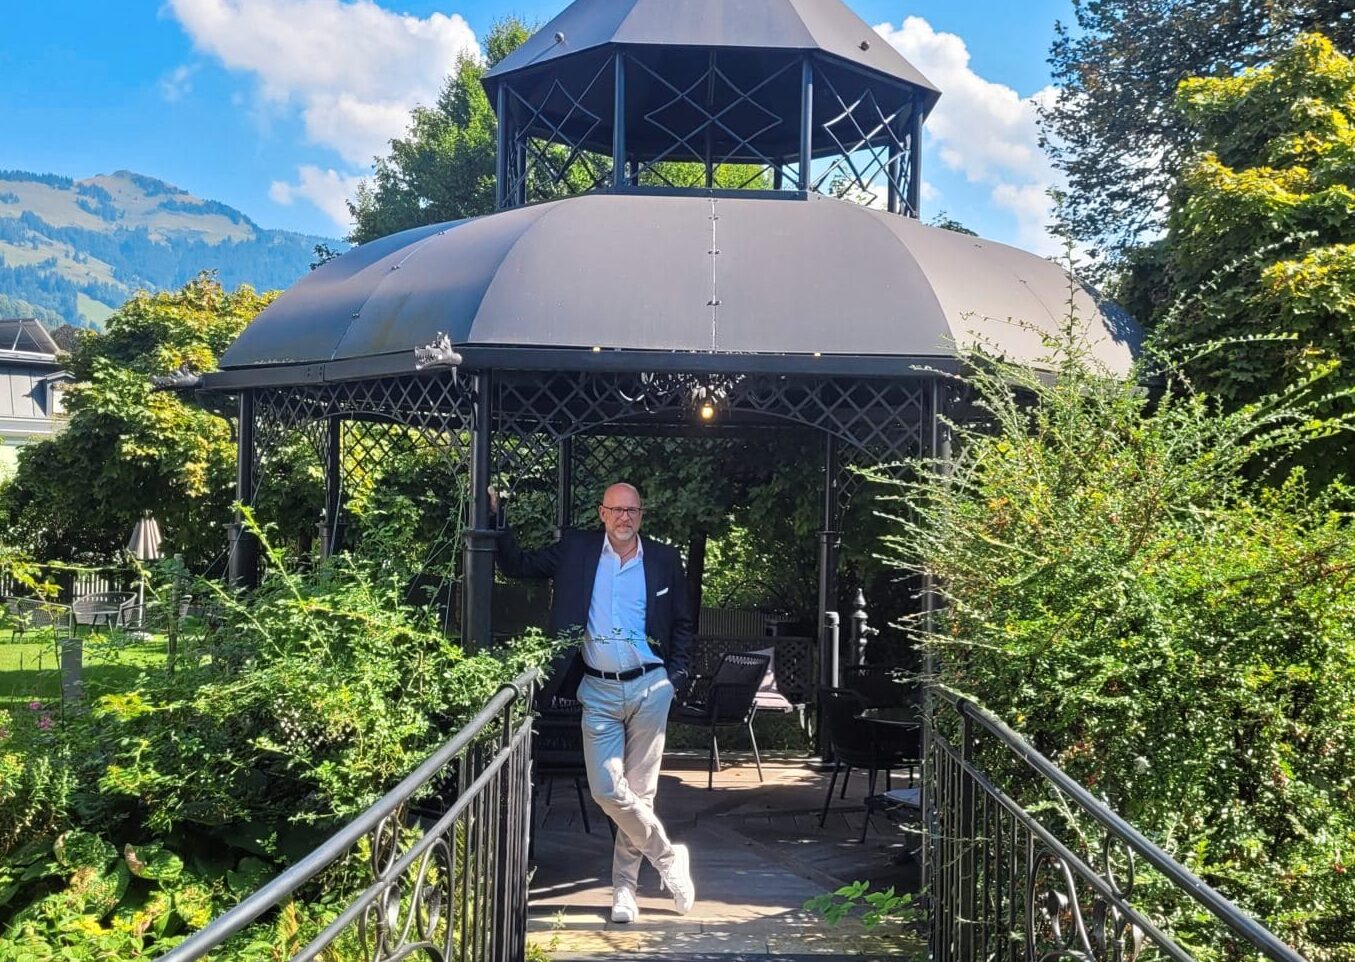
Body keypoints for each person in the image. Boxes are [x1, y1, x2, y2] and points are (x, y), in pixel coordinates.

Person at [493, 481, 697, 924]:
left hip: (650, 688)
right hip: (598, 690)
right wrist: (495, 515)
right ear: (602, 513)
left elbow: (684, 621)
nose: (625, 518)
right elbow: (517, 565)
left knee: (640, 793)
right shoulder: (576, 551)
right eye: (617, 510)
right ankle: (667, 856)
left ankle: (624, 890)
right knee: (608, 790)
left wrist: (674, 678)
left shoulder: (663, 558)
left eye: (632, 511)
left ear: (641, 515)